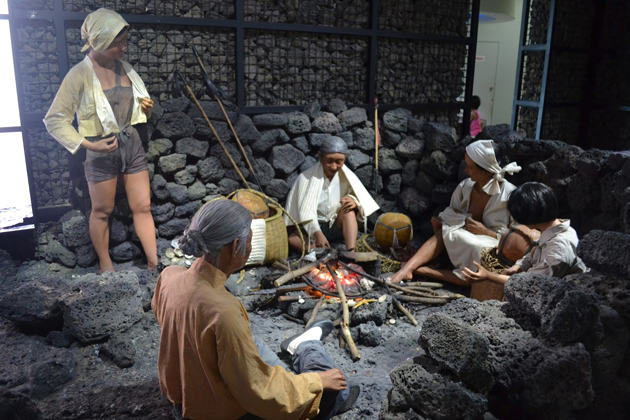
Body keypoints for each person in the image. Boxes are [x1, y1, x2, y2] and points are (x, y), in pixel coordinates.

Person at [152, 200, 359, 420]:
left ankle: (304, 348)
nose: (250, 245)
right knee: (330, 392)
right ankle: (309, 349)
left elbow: (177, 324)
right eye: (250, 239)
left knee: (251, 343)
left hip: (182, 398)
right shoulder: (224, 312)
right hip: (213, 412)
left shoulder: (169, 276)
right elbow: (258, 391)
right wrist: (318, 382)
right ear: (236, 246)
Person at [44, 8, 157, 273]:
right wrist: (87, 144)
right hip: (100, 149)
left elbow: (131, 107)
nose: (123, 47)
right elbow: (54, 119)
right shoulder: (79, 75)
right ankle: (106, 266)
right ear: (98, 41)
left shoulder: (126, 69)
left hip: (131, 143)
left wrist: (145, 108)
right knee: (102, 210)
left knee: (143, 206)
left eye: (124, 41)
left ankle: (154, 262)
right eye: (117, 43)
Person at [390, 139, 521, 285]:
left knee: (479, 262)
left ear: (486, 170)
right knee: (447, 230)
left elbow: (518, 238)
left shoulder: (510, 194)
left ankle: (426, 271)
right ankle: (407, 269)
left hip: (492, 248)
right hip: (463, 239)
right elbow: (452, 218)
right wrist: (441, 224)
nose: (465, 170)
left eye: (470, 167)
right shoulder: (465, 187)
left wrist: (486, 232)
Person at [462, 182, 588, 285]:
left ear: (528, 220)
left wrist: (488, 276)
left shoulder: (558, 251)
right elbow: (532, 255)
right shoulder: (552, 230)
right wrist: (517, 267)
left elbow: (531, 282)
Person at [284, 136, 379, 252]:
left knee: (348, 212)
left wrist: (354, 201)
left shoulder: (346, 177)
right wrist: (317, 233)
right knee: (293, 239)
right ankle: (318, 251)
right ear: (320, 156)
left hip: (334, 224)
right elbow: (305, 211)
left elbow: (356, 195)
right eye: (329, 161)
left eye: (339, 162)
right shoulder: (305, 178)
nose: (334, 166)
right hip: (310, 229)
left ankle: (351, 252)